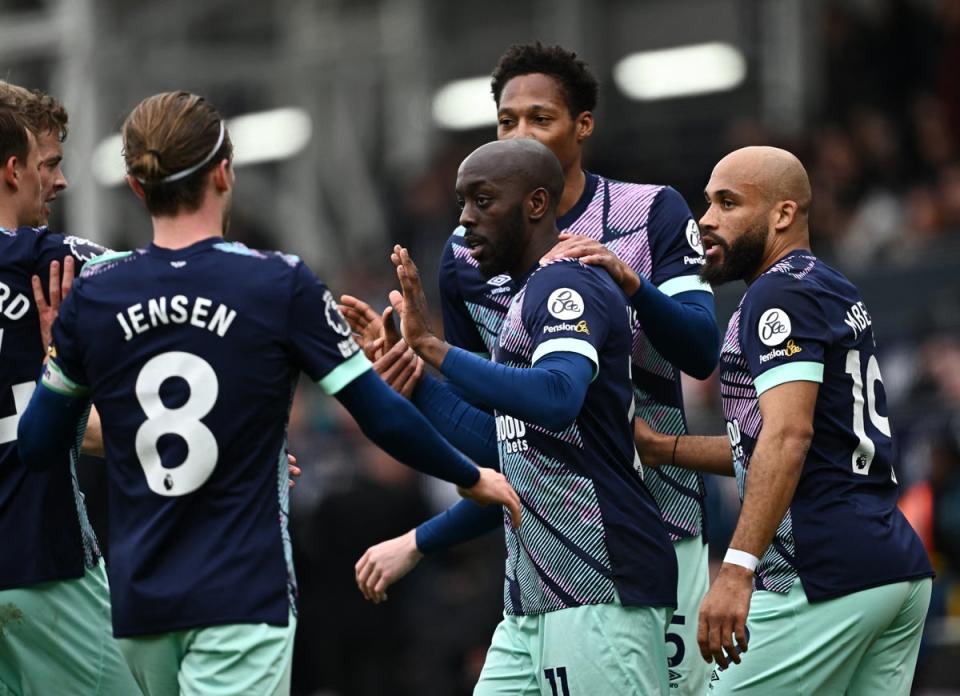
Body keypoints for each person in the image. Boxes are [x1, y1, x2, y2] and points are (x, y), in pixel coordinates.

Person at [16, 91, 520, 696]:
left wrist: (59, 362)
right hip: (239, 591)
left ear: (135, 185)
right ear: (225, 171)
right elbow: (379, 413)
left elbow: (39, 443)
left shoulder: (95, 298)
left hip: (140, 604)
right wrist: (468, 475)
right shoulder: (276, 283)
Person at [349, 42, 718, 694]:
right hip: (541, 553)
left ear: (582, 125)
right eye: (505, 122)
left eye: (539, 119)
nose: (519, 136)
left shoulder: (649, 212)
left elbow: (698, 352)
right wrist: (414, 376)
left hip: (651, 530)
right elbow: (505, 440)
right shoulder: (469, 259)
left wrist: (632, 283)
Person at [630, 146, 933, 694]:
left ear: (783, 215)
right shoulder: (826, 283)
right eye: (707, 203)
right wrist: (661, 448)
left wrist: (738, 568)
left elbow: (789, 436)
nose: (706, 220)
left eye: (728, 203)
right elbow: (769, 441)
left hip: (821, 573)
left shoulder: (778, 295)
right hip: (893, 570)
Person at [385, 137, 677, 695]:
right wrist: (417, 381)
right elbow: (503, 451)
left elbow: (557, 396)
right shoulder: (523, 300)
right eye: (462, 203)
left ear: (537, 204)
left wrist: (436, 350)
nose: (466, 220)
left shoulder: (569, 283)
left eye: (484, 201)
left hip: (600, 583)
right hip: (532, 597)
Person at [0, 88, 140, 694]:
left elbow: (37, 420)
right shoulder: (51, 266)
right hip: (39, 563)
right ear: (13, 169)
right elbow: (187, 276)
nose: (58, 182)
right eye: (49, 165)